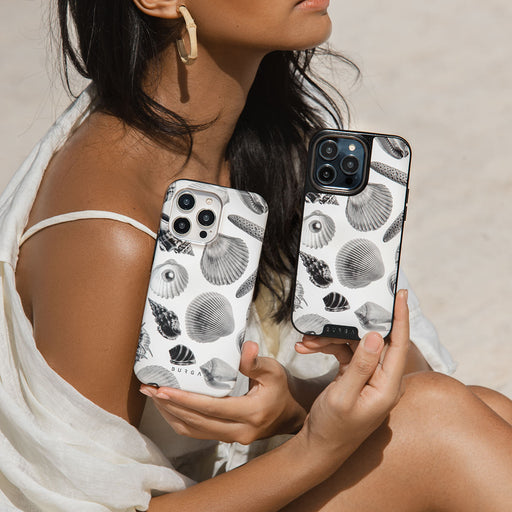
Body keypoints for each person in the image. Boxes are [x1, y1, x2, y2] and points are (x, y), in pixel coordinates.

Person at [1, 1, 512, 510]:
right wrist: (314, 447)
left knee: (473, 408)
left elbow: (414, 383)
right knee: (433, 421)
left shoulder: (262, 144)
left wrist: (295, 408)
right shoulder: (108, 235)